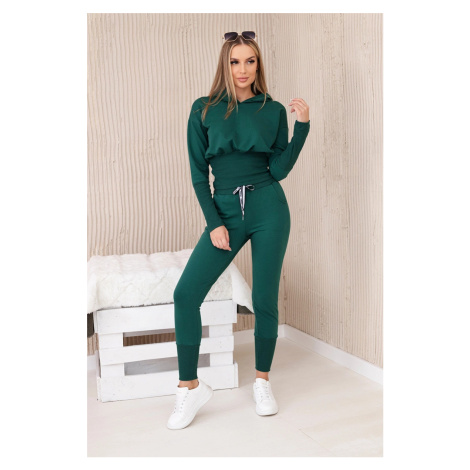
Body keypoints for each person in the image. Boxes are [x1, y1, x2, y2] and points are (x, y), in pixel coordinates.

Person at [168, 31, 310, 430]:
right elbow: (199, 175)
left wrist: (302, 127)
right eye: (235, 62)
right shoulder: (203, 109)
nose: (243, 69)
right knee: (185, 295)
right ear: (225, 65)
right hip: (226, 210)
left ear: (258, 65)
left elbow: (278, 169)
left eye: (250, 61)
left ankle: (262, 382)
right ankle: (189, 387)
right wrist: (215, 222)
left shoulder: (272, 109)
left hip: (269, 207)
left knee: (264, 299)